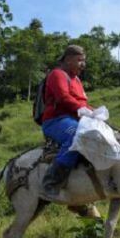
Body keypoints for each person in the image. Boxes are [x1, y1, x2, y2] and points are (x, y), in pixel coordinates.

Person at [39, 45, 92, 198]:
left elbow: (82, 103)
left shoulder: (77, 80)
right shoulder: (57, 74)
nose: (83, 64)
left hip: (75, 120)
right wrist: (83, 110)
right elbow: (63, 97)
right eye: (80, 60)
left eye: (84, 60)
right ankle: (51, 182)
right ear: (68, 60)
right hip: (56, 121)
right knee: (77, 135)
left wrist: (95, 112)